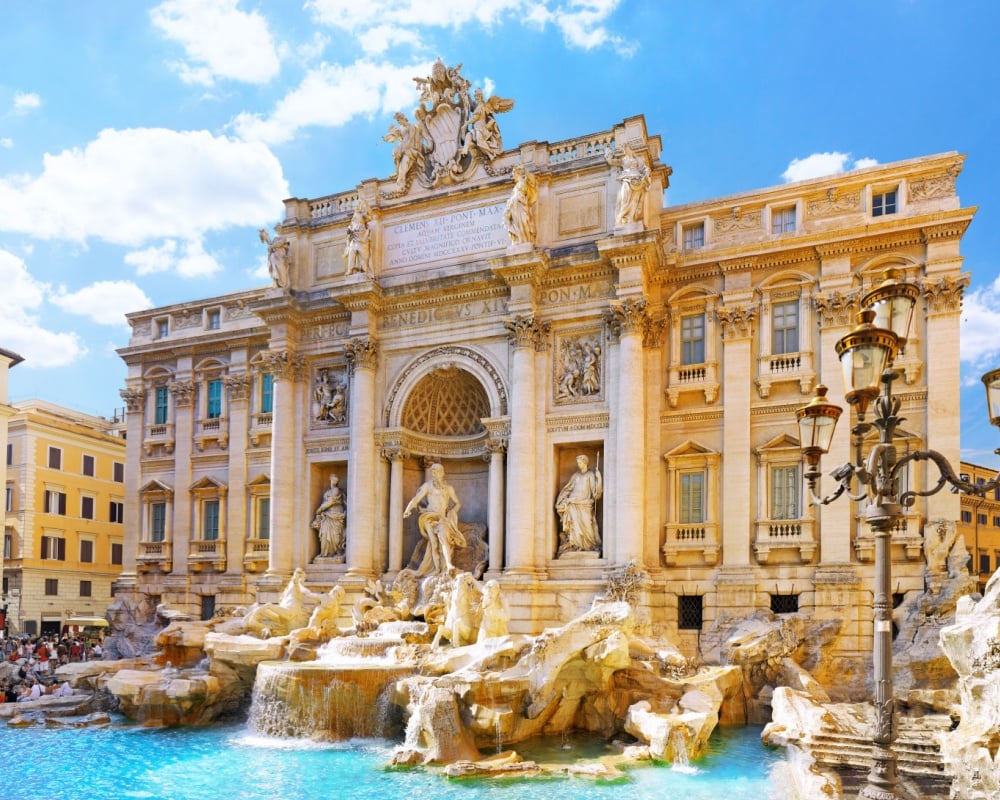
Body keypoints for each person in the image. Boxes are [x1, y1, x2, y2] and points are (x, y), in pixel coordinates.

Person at [403, 463, 465, 576]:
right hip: (429, 516)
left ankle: (448, 565)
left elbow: (458, 503)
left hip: (442, 518)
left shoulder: (448, 488)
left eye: (436, 471)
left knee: (443, 538)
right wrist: (408, 509)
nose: (434, 474)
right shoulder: (428, 486)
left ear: (442, 473)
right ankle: (437, 570)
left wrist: (452, 512)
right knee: (434, 543)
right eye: (433, 472)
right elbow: (416, 499)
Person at [555, 454, 603, 555]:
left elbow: (595, 493)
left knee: (587, 524)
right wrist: (562, 499)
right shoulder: (575, 476)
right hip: (573, 504)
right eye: (578, 463)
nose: (579, 465)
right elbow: (568, 488)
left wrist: (599, 479)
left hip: (585, 504)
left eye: (580, 463)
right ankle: (576, 545)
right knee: (574, 525)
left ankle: (590, 546)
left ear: (585, 462)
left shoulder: (590, 475)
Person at [605, 143, 650, 226]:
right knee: (624, 198)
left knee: (634, 200)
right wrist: (608, 151)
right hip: (626, 179)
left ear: (630, 148)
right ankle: (623, 217)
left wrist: (646, 173)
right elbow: (611, 161)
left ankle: (630, 218)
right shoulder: (623, 160)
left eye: (626, 148)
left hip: (637, 180)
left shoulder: (638, 159)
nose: (625, 150)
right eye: (624, 149)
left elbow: (644, 168)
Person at [311, 475, 347, 559]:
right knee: (325, 534)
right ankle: (325, 553)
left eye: (336, 480)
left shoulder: (336, 490)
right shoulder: (327, 492)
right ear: (330, 479)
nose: (335, 482)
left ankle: (336, 552)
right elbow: (326, 503)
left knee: (336, 536)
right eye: (333, 480)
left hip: (336, 514)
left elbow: (331, 502)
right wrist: (322, 511)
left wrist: (320, 509)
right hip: (327, 515)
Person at [503, 164, 538, 246]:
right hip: (514, 207)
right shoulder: (516, 186)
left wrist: (524, 172)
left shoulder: (523, 181)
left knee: (524, 222)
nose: (513, 177)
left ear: (518, 174)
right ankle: (519, 239)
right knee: (516, 224)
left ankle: (525, 239)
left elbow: (531, 182)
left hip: (521, 206)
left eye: (514, 174)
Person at [344, 201, 372, 277]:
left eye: (357, 206)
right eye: (355, 206)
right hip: (354, 236)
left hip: (361, 235)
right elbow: (352, 224)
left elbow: (369, 218)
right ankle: (350, 269)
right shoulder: (354, 215)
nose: (356, 207)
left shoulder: (362, 214)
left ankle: (363, 269)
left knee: (362, 254)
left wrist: (365, 209)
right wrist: (349, 229)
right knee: (352, 252)